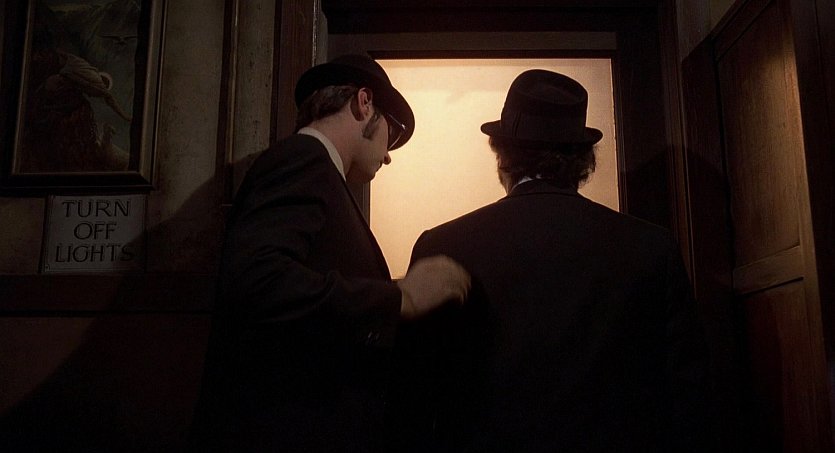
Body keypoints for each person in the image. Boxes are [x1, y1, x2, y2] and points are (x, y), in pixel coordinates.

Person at [386, 69, 711, 452]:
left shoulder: (445, 244)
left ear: (502, 154)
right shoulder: (650, 247)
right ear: (583, 159)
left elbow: (415, 393)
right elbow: (687, 394)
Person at [189, 54, 470, 452]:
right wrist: (399, 298)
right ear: (364, 103)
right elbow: (257, 279)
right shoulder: (303, 158)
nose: (388, 155)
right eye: (391, 134)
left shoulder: (315, 168)